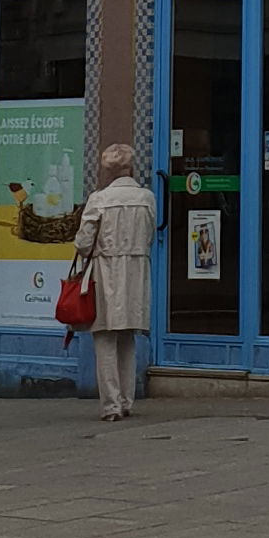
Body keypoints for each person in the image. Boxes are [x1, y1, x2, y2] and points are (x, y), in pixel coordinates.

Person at [68, 140, 157, 418]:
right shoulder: (146, 198)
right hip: (136, 271)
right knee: (128, 337)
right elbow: (151, 234)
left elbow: (83, 243)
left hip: (106, 273)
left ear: (108, 171)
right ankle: (128, 400)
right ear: (131, 168)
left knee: (105, 338)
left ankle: (111, 405)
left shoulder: (99, 199)